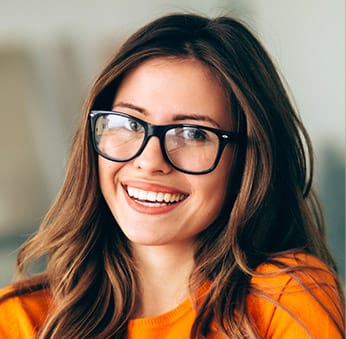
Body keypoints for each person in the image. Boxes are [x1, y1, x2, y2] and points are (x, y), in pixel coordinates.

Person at [0, 13, 344, 339]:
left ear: (248, 162)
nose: (150, 161)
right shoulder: (20, 318)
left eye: (193, 133)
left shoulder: (284, 298)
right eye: (129, 123)